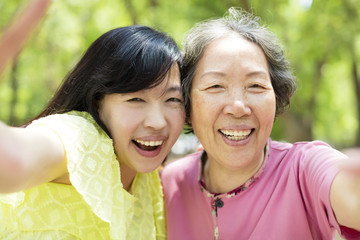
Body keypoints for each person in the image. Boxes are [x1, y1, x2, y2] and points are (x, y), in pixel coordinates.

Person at [161, 7, 360, 240]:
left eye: (255, 85)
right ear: (187, 105)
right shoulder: (169, 183)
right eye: (215, 86)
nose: (238, 106)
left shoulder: (304, 170)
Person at [0, 25, 185, 239]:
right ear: (98, 103)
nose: (157, 122)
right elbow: (17, 159)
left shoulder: (151, 185)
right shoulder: (81, 138)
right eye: (136, 99)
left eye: (172, 100)